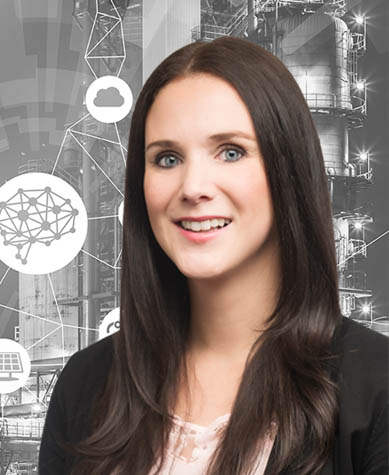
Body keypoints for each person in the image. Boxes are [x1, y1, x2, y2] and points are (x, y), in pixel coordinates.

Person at [38, 36, 388, 475]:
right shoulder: (85, 383)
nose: (193, 187)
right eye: (166, 159)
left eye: (231, 152)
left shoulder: (375, 386)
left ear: (288, 170)